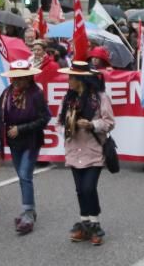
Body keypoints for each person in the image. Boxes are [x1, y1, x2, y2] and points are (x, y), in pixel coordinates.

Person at [58, 61, 115, 245]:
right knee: (79, 190)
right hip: (74, 150)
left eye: (71, 77)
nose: (68, 80)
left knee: (89, 187)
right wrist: (68, 127)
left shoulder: (100, 98)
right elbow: (58, 124)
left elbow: (109, 122)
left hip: (93, 149)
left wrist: (92, 125)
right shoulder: (67, 98)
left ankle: (95, 223)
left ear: (80, 79)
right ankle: (84, 223)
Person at [0, 59, 51, 235]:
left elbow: (45, 118)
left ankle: (28, 212)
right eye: (15, 78)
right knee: (21, 177)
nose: (19, 81)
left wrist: (21, 129)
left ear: (29, 77)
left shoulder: (36, 94)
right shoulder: (6, 93)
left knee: (25, 175)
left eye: (22, 77)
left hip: (31, 140)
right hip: (14, 142)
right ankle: (28, 209)